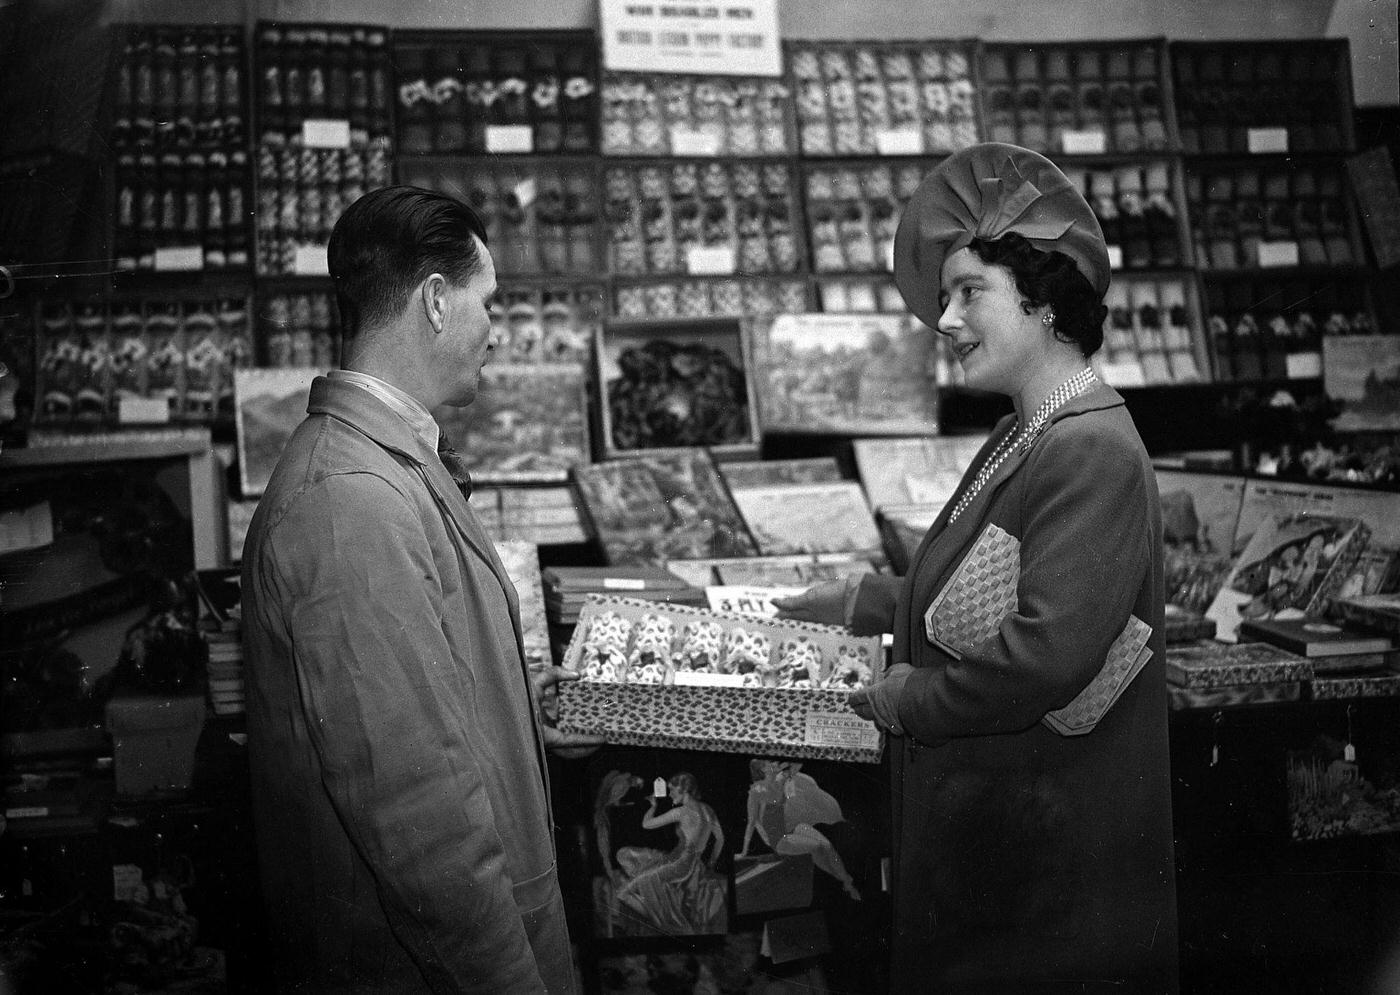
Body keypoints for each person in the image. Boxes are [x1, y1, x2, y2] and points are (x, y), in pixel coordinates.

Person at [775, 143, 1178, 993]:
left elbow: (1044, 653)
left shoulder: (1090, 447)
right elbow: (967, 587)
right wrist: (858, 598)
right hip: (1006, 834)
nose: (945, 320)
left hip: (1049, 857)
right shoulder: (1023, 431)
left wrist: (909, 697)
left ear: (1042, 302)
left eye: (970, 292)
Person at [241, 185, 600, 994]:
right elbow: (415, 812)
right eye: (487, 300)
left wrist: (518, 706)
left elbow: (418, 703)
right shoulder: (349, 499)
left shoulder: (387, 467)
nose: (496, 330)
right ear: (436, 302)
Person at [612, 772, 726, 936]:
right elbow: (720, 839)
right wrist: (710, 864)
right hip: (690, 863)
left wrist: (653, 806)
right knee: (628, 859)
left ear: (684, 790)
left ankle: (665, 922)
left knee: (623, 893)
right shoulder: (708, 809)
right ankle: (656, 908)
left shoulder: (681, 812)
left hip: (679, 865)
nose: (670, 793)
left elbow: (646, 824)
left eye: (672, 790)